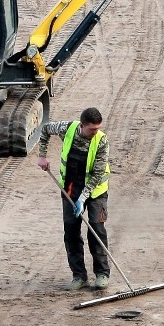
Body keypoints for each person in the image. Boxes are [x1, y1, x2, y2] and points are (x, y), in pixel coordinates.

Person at [37, 107, 112, 290]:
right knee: (71, 231)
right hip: (70, 188)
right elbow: (46, 129)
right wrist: (42, 156)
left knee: (96, 228)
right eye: (92, 129)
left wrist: (83, 198)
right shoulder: (68, 128)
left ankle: (102, 273)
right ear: (82, 125)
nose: (96, 132)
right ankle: (79, 276)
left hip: (96, 192)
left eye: (97, 128)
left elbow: (97, 175)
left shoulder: (101, 141)